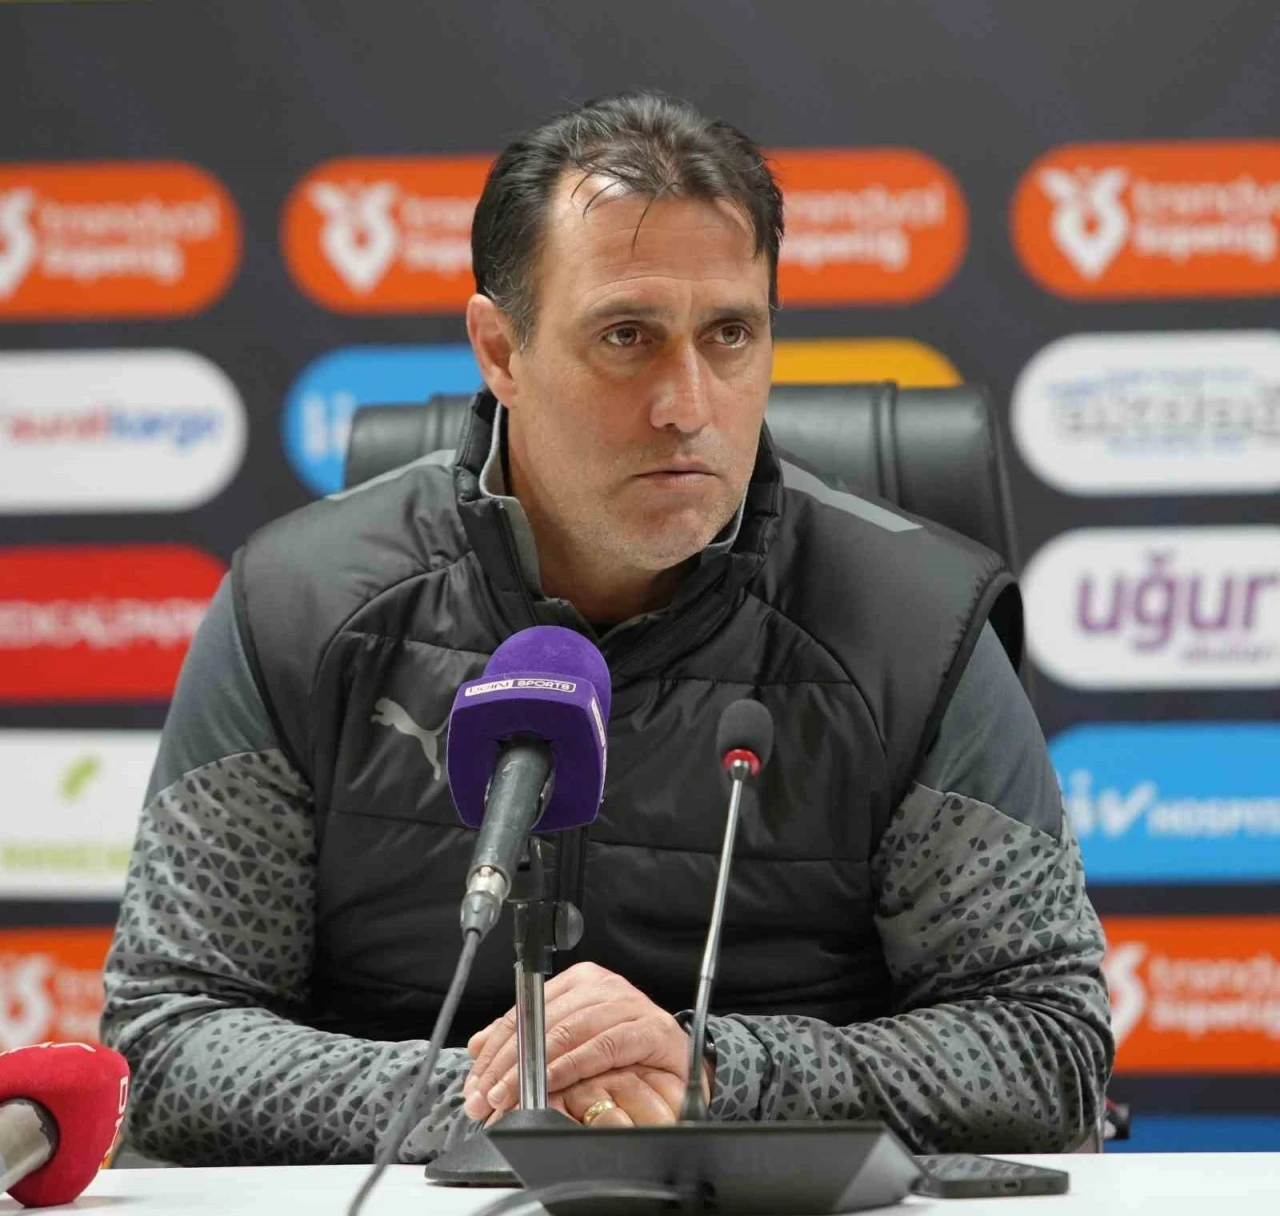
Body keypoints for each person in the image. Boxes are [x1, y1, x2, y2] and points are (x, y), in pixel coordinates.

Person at [101, 91, 1112, 1165]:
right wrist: (508, 1095)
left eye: (730, 335)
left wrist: (712, 1074)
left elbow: (1044, 1046)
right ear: (500, 348)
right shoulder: (296, 610)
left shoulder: (917, 628)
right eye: (627, 336)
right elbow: (166, 1040)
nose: (687, 404)